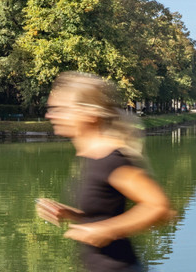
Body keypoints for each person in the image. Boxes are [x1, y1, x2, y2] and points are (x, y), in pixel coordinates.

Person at [36, 72, 174, 271]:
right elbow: (102, 213)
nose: (50, 115)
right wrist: (70, 214)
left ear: (89, 114)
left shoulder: (111, 160)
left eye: (60, 109)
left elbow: (160, 208)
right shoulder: (89, 156)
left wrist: (106, 230)